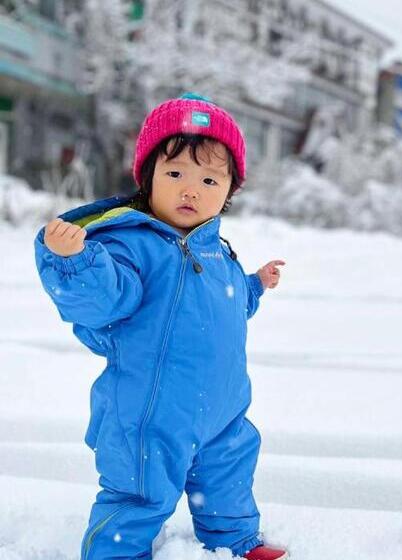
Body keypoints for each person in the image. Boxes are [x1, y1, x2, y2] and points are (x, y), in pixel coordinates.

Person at [34, 92, 288, 560]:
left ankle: (235, 539)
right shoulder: (132, 247)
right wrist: (78, 262)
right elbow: (107, 300)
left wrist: (254, 285)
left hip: (222, 410)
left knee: (228, 476)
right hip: (149, 414)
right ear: (148, 177)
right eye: (175, 174)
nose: (191, 190)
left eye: (210, 179)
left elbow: (224, 310)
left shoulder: (217, 251)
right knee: (139, 493)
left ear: (229, 192)